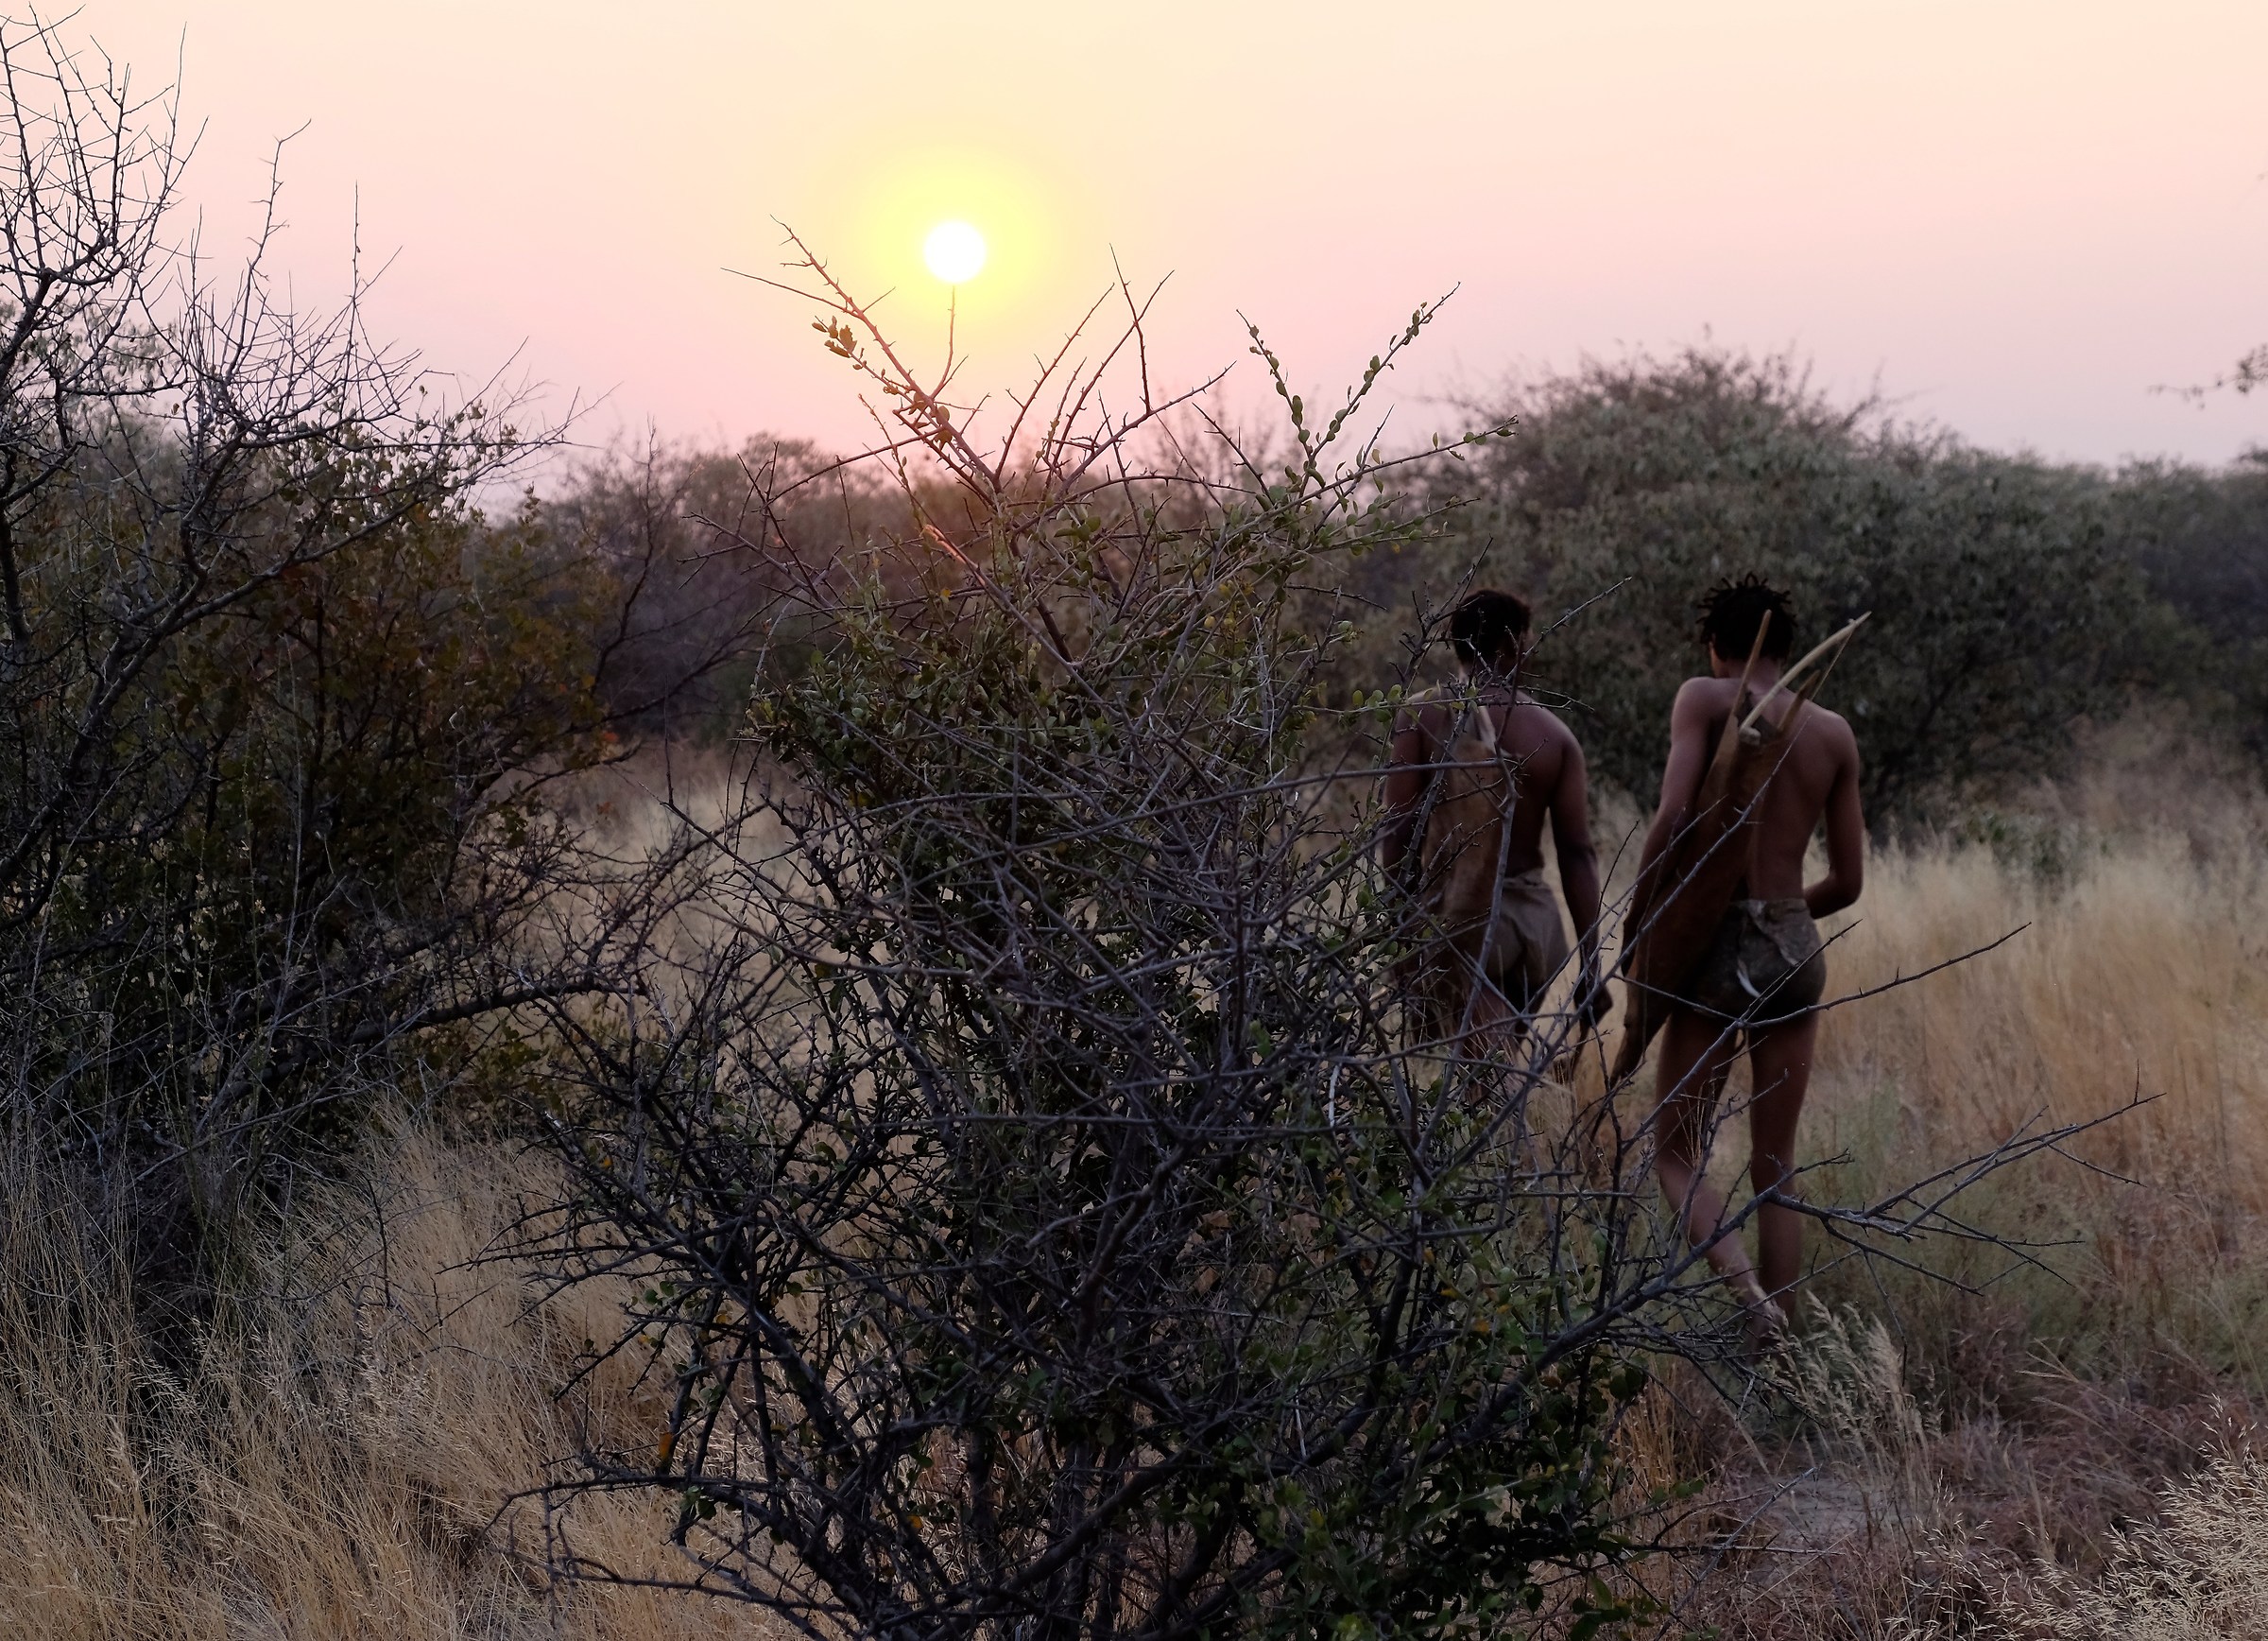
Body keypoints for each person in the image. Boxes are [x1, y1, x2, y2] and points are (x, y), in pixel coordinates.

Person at [1631, 575, 1864, 1334]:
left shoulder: (1705, 698)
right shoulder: (1833, 732)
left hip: (1717, 941)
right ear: (1784, 649)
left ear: (1715, 647)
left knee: (1675, 1153)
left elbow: (1673, 818)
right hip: (1795, 946)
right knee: (1776, 1166)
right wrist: (1783, 921)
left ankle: (1751, 1302)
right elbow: (1848, 883)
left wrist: (1643, 923)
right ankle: (1784, 1354)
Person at [1380, 588, 1607, 1043]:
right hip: (1534, 931)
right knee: (1489, 1065)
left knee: (1478, 1072)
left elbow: (1399, 832)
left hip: (1458, 922)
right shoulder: (1555, 734)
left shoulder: (1421, 715)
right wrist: (1592, 967)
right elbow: (1577, 854)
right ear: (1513, 643)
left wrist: (1401, 928)